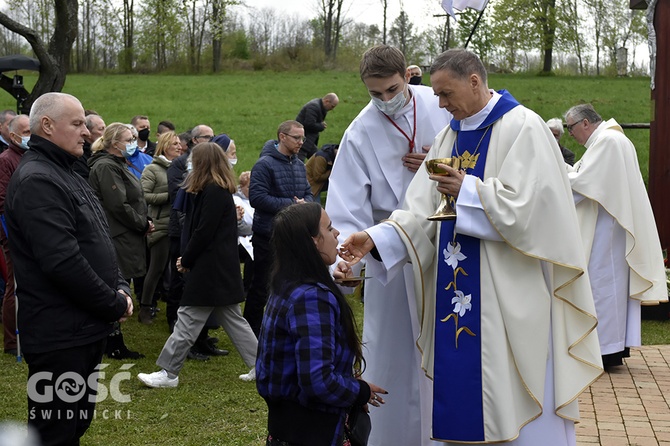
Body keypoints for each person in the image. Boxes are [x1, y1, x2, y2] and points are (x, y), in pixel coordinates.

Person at [337, 49, 603, 445]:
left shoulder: (523, 127)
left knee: (519, 398)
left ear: (475, 81)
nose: (440, 104)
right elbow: (420, 211)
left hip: (509, 293)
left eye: (445, 94)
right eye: (438, 96)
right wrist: (375, 236)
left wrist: (471, 192)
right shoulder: (450, 134)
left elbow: (539, 210)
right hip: (458, 294)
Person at [324, 45, 450, 446]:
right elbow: (344, 209)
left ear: (407, 77)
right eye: (375, 94)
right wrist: (344, 262)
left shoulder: (442, 104)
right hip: (390, 260)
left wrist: (444, 158)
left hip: (447, 247)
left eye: (393, 90)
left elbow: (484, 152)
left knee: (448, 350)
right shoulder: (359, 132)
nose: (385, 101)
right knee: (394, 357)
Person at [4, 92, 133, 446]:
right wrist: (112, 303)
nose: (87, 133)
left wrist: (120, 286)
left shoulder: (69, 171)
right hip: (59, 334)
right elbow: (62, 261)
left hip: (83, 328)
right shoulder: (38, 180)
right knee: (54, 432)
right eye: (77, 124)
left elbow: (100, 239)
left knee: (74, 426)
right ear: (46, 125)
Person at [256, 202, 387, 446]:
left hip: (287, 430)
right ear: (313, 241)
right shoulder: (311, 297)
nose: (337, 233)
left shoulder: (287, 285)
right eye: (329, 228)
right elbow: (318, 381)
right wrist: (360, 392)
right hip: (313, 431)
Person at [137, 142, 257, 388]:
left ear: (203, 163)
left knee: (188, 318)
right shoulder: (213, 191)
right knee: (233, 320)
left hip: (210, 270)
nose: (188, 162)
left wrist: (186, 259)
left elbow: (203, 232)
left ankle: (168, 373)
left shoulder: (213, 192)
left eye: (193, 159)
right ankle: (262, 367)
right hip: (218, 269)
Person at [564, 104, 667, 370]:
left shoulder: (609, 141)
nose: (570, 134)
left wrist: (557, 170)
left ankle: (605, 350)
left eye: (571, 128)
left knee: (602, 288)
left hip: (606, 230)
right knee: (606, 289)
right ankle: (610, 349)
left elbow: (584, 183)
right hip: (610, 226)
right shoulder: (611, 139)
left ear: (585, 123)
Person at [245, 120, 314, 336]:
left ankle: (280, 326)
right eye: (297, 138)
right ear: (282, 137)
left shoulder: (300, 165)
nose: (301, 142)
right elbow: (257, 198)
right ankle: (251, 330)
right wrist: (292, 205)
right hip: (268, 235)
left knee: (290, 283)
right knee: (263, 285)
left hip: (293, 235)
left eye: (303, 138)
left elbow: (309, 193)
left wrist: (307, 204)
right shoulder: (264, 165)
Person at [89, 122, 151, 359]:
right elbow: (118, 205)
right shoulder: (106, 167)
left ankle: (113, 340)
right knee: (116, 284)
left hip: (126, 233)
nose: (133, 143)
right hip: (117, 235)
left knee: (121, 283)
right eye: (129, 139)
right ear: (114, 143)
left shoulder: (117, 163)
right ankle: (112, 343)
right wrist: (142, 223)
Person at [138, 131, 182, 324]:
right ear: (164, 147)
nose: (179, 147)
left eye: (180, 144)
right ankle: (145, 308)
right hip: (161, 225)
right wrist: (170, 195)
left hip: (178, 225)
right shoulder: (152, 169)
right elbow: (143, 195)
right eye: (174, 144)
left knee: (176, 270)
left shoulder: (181, 168)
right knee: (156, 268)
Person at [0, 114, 30, 356]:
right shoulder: (6, 160)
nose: (31, 136)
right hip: (13, 230)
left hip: (31, 230)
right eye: (26, 131)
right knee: (14, 284)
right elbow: (2, 200)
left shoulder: (28, 157)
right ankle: (11, 340)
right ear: (13, 135)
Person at [295, 93, 339, 160]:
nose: (332, 109)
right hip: (303, 140)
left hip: (308, 140)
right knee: (299, 161)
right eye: (332, 106)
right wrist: (321, 126)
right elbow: (309, 124)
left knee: (318, 159)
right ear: (327, 101)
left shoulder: (320, 107)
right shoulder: (314, 107)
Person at [74, 113, 106, 180]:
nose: (105, 132)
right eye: (101, 129)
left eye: (105, 128)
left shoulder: (106, 151)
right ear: (88, 132)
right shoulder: (79, 155)